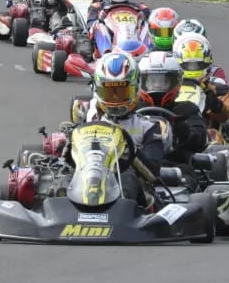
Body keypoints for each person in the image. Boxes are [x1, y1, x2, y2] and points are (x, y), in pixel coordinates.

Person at [70, 51, 165, 208]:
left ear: (135, 89)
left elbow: (153, 173)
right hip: (86, 174)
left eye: (121, 92)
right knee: (64, 179)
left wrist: (129, 149)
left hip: (127, 186)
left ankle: (120, 211)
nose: (115, 99)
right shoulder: (89, 119)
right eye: (109, 92)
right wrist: (67, 145)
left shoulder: (147, 127)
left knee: (127, 179)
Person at [138, 51, 209, 163]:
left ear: (176, 81)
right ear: (141, 82)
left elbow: (201, 141)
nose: (157, 86)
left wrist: (185, 133)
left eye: (164, 81)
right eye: (152, 81)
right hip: (139, 167)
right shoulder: (134, 111)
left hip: (176, 168)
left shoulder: (186, 109)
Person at [174, 33, 229, 129]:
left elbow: (226, 117)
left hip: (208, 135)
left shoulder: (219, 90)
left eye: (197, 65)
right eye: (188, 65)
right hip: (178, 133)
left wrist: (216, 104)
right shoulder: (171, 91)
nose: (193, 70)